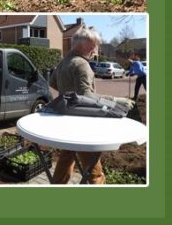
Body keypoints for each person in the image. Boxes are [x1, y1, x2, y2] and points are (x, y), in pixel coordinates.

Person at [48, 27, 135, 184]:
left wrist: (67, 94)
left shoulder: (64, 62)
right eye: (95, 46)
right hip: (82, 126)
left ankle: (56, 186)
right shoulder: (82, 65)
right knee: (95, 173)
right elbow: (86, 96)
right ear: (87, 45)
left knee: (66, 157)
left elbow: (52, 82)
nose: (96, 50)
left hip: (67, 120)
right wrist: (116, 100)